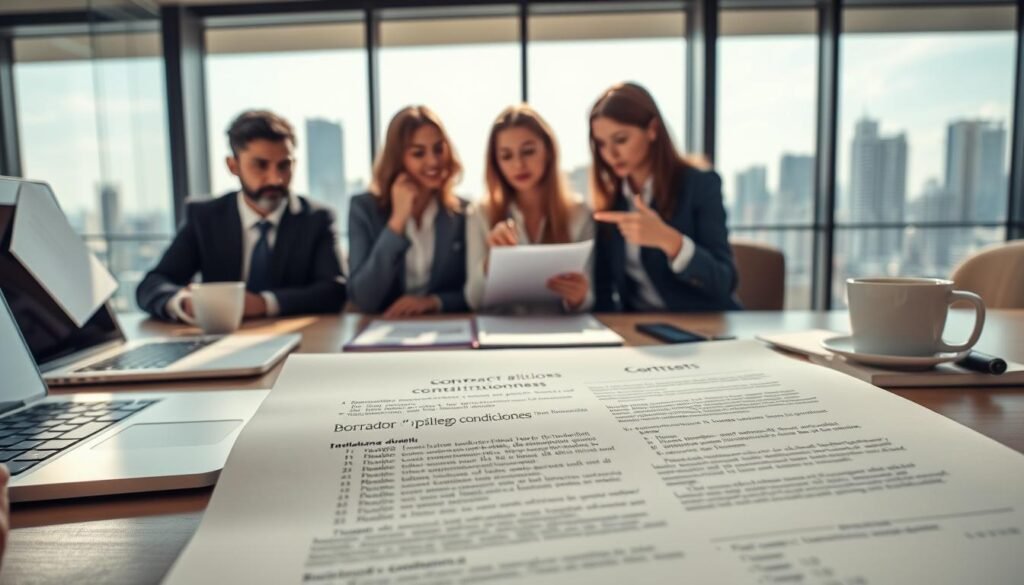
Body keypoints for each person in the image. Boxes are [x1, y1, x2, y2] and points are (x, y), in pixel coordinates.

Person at [136, 110, 346, 321]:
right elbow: (153, 283)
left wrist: (263, 303)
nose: (276, 179)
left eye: (284, 165)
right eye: (261, 165)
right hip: (219, 339)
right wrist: (184, 303)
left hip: (299, 338)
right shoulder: (204, 217)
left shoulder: (317, 218)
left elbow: (334, 291)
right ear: (233, 165)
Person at [589, 82, 740, 312]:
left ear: (652, 129)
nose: (611, 154)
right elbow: (603, 290)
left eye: (621, 140)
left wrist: (671, 242)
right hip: (641, 334)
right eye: (601, 144)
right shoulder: (612, 203)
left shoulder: (700, 185)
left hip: (708, 328)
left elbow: (724, 281)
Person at [465, 104, 594, 313]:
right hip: (501, 334)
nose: (518, 165)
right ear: (496, 163)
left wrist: (579, 297)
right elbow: (473, 299)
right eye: (506, 156)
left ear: (548, 151)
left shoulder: (579, 213)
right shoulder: (480, 214)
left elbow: (589, 297)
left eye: (528, 151)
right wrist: (492, 262)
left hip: (560, 334)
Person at [347, 106, 468, 316]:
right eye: (418, 153)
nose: (433, 161)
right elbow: (364, 298)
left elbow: (474, 292)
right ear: (398, 158)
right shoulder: (364, 209)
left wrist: (433, 302)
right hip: (384, 329)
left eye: (438, 149)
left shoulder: (462, 212)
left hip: (443, 327)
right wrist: (397, 222)